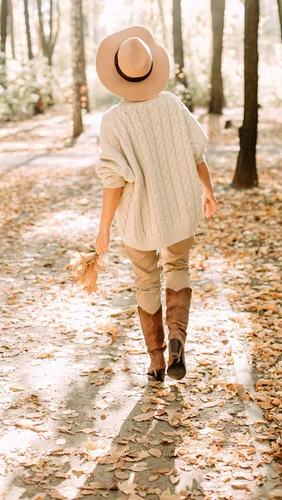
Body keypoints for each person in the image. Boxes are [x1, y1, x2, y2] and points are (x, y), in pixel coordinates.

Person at [94, 26, 218, 382]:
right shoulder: (173, 106)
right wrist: (207, 190)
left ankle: (157, 362)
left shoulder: (113, 121)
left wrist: (103, 229)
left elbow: (114, 182)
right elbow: (198, 153)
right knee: (178, 267)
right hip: (180, 207)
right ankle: (178, 335)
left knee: (146, 281)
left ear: (118, 74)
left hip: (139, 218)